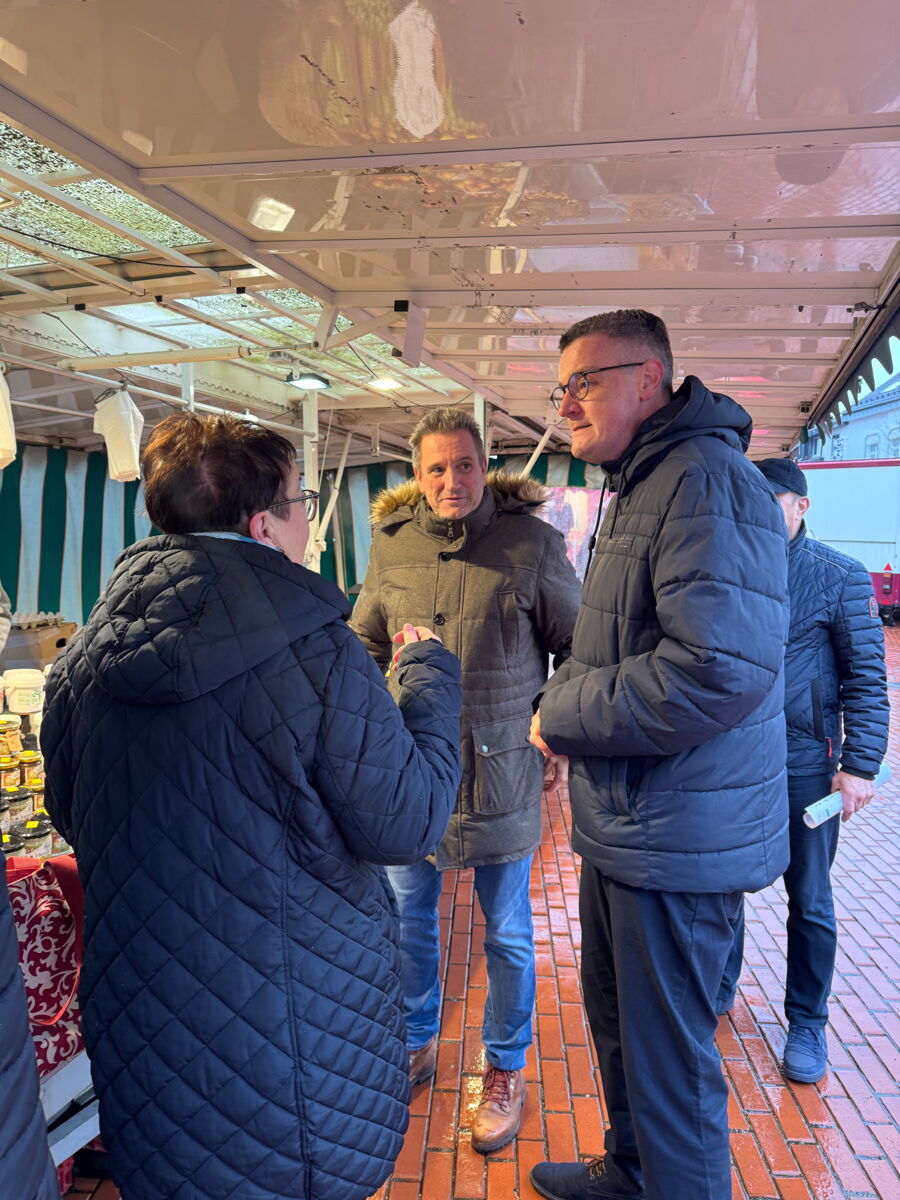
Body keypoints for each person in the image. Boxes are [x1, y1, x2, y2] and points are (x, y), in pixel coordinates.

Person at [40, 413, 463, 1200]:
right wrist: (429, 684)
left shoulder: (83, 660)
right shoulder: (319, 653)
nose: (307, 519)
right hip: (297, 1038)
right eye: (302, 501)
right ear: (266, 524)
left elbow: (74, 814)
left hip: (148, 1030)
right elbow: (407, 822)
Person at [527, 310, 790, 1200]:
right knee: (619, 1029)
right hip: (633, 821)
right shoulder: (647, 478)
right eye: (560, 386)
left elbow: (714, 670)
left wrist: (559, 713)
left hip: (678, 837)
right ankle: (633, 1173)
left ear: (651, 378)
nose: (566, 404)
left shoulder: (705, 481)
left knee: (671, 1065)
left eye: (583, 382)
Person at [351, 408, 581, 1153]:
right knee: (407, 920)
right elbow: (363, 639)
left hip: (504, 774)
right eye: (435, 469)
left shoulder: (533, 546)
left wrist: (553, 724)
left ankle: (504, 1067)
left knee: (509, 934)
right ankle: (415, 1039)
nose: (452, 481)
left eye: (465, 465)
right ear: (415, 478)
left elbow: (581, 649)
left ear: (486, 467)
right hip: (410, 775)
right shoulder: (391, 549)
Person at [717, 457, 889, 1083]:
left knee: (810, 898)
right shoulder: (724, 567)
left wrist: (860, 764)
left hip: (806, 768)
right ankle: (718, 986)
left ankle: (807, 1022)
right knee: (721, 883)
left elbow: (869, 679)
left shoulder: (839, 577)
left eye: (773, 497)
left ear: (801, 505)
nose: (760, 509)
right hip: (731, 761)